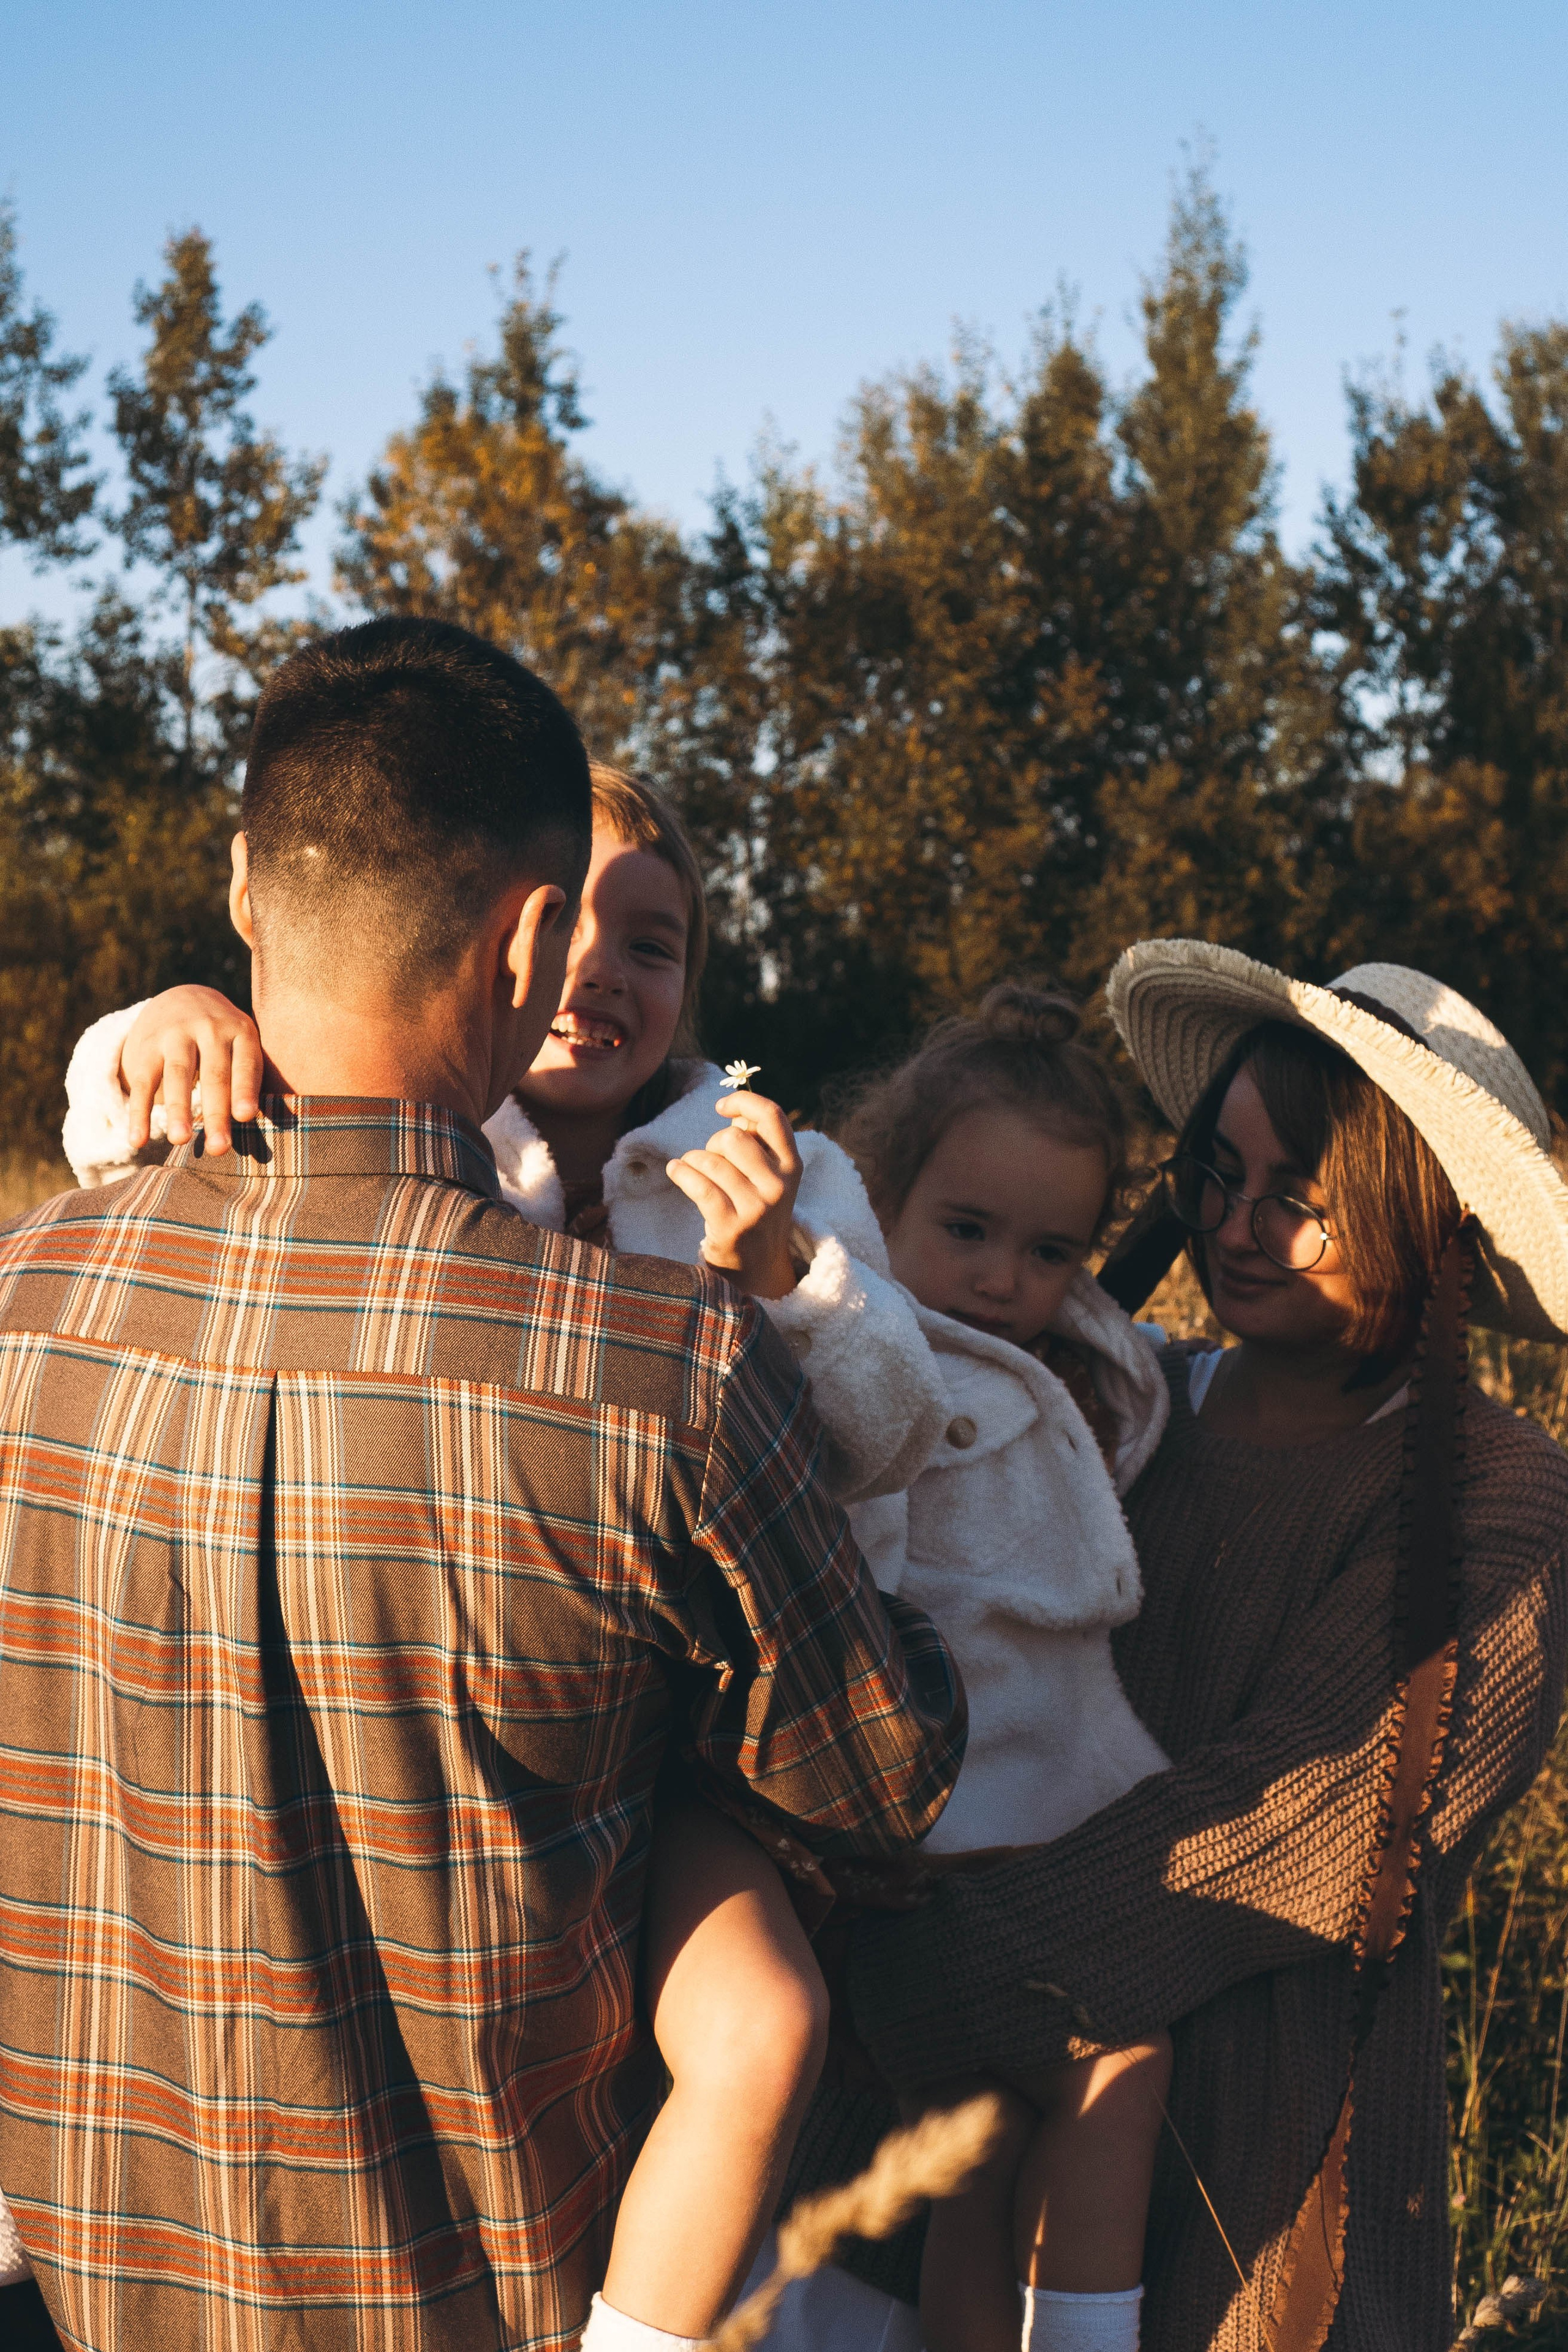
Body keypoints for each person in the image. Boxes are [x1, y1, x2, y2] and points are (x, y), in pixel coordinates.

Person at [0, 617, 967, 2352]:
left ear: (245, 891)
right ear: (526, 942)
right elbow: (880, 1780)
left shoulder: (26, 1299)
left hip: (86, 2280)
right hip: (472, 2297)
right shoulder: (661, 1369)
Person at [816, 942, 1568, 2352]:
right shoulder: (1113, 1403)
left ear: (1422, 1220)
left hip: (1252, 2157)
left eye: (1297, 1201)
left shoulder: (1491, 1494)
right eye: (1215, 1177)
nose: (1232, 1228)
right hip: (919, 2132)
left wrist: (940, 1979)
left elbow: (1316, 1821)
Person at [823, 982, 1175, 2352]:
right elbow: (859, 1574)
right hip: (946, 1815)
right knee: (1118, 2058)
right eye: (964, 1231)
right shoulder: (874, 1369)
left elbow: (1121, 1409)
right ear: (882, 1203)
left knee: (978, 2146)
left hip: (1027, 1810)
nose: (999, 1281)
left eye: (1048, 1253)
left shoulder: (1057, 1371)